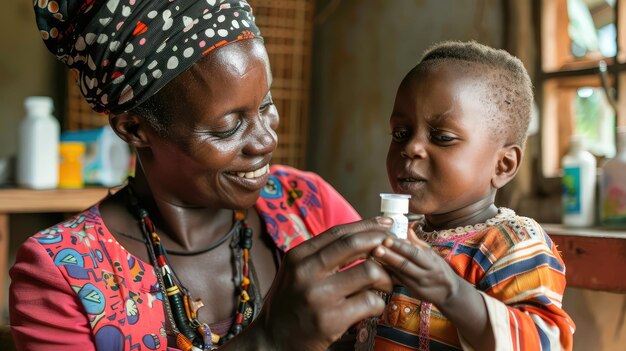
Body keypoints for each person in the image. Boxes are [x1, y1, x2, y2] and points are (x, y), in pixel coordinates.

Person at [9, 1, 395, 350]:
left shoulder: (305, 202)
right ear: (134, 129)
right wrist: (267, 340)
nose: (265, 140)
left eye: (266, 105)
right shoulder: (62, 273)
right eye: (228, 127)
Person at [366, 41, 576, 350]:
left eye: (442, 137)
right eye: (400, 133)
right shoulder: (404, 236)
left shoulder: (512, 243)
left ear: (503, 165)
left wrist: (452, 293)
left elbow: (546, 343)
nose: (410, 148)